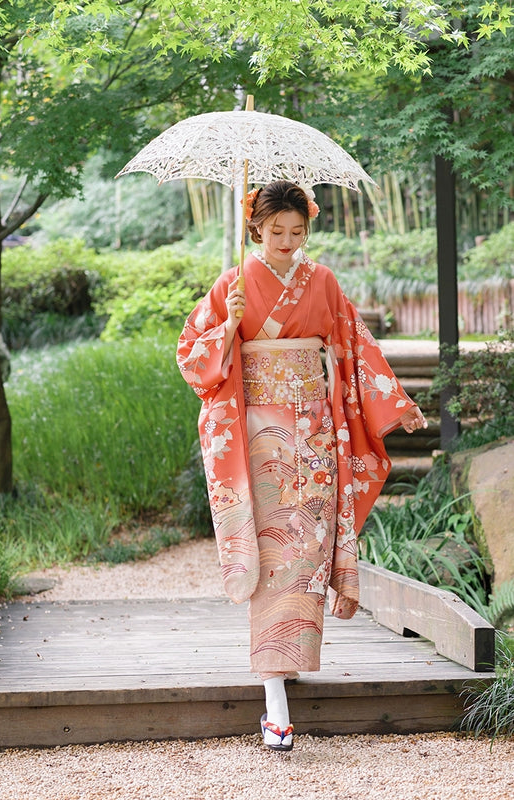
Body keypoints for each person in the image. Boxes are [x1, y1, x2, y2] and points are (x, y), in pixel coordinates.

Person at [176, 180, 427, 752]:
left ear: (306, 229)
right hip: (261, 435)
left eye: (297, 232)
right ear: (256, 230)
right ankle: (274, 698)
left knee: (307, 553)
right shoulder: (232, 284)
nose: (287, 242)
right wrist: (226, 327)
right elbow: (191, 356)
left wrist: (397, 403)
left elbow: (354, 346)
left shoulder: (324, 282)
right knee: (272, 555)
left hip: (314, 436)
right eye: (276, 232)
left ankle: (285, 662)